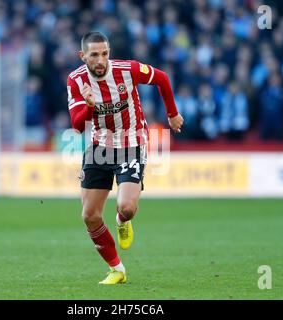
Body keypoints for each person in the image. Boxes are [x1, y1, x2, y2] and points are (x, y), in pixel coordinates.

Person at [66, 32, 183, 284]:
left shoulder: (127, 70)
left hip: (132, 142)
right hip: (99, 147)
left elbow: (162, 78)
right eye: (94, 55)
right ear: (82, 56)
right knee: (90, 216)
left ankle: (122, 220)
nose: (101, 60)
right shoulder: (76, 80)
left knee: (127, 208)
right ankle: (117, 269)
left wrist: (172, 114)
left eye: (105, 53)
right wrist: (89, 105)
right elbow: (76, 125)